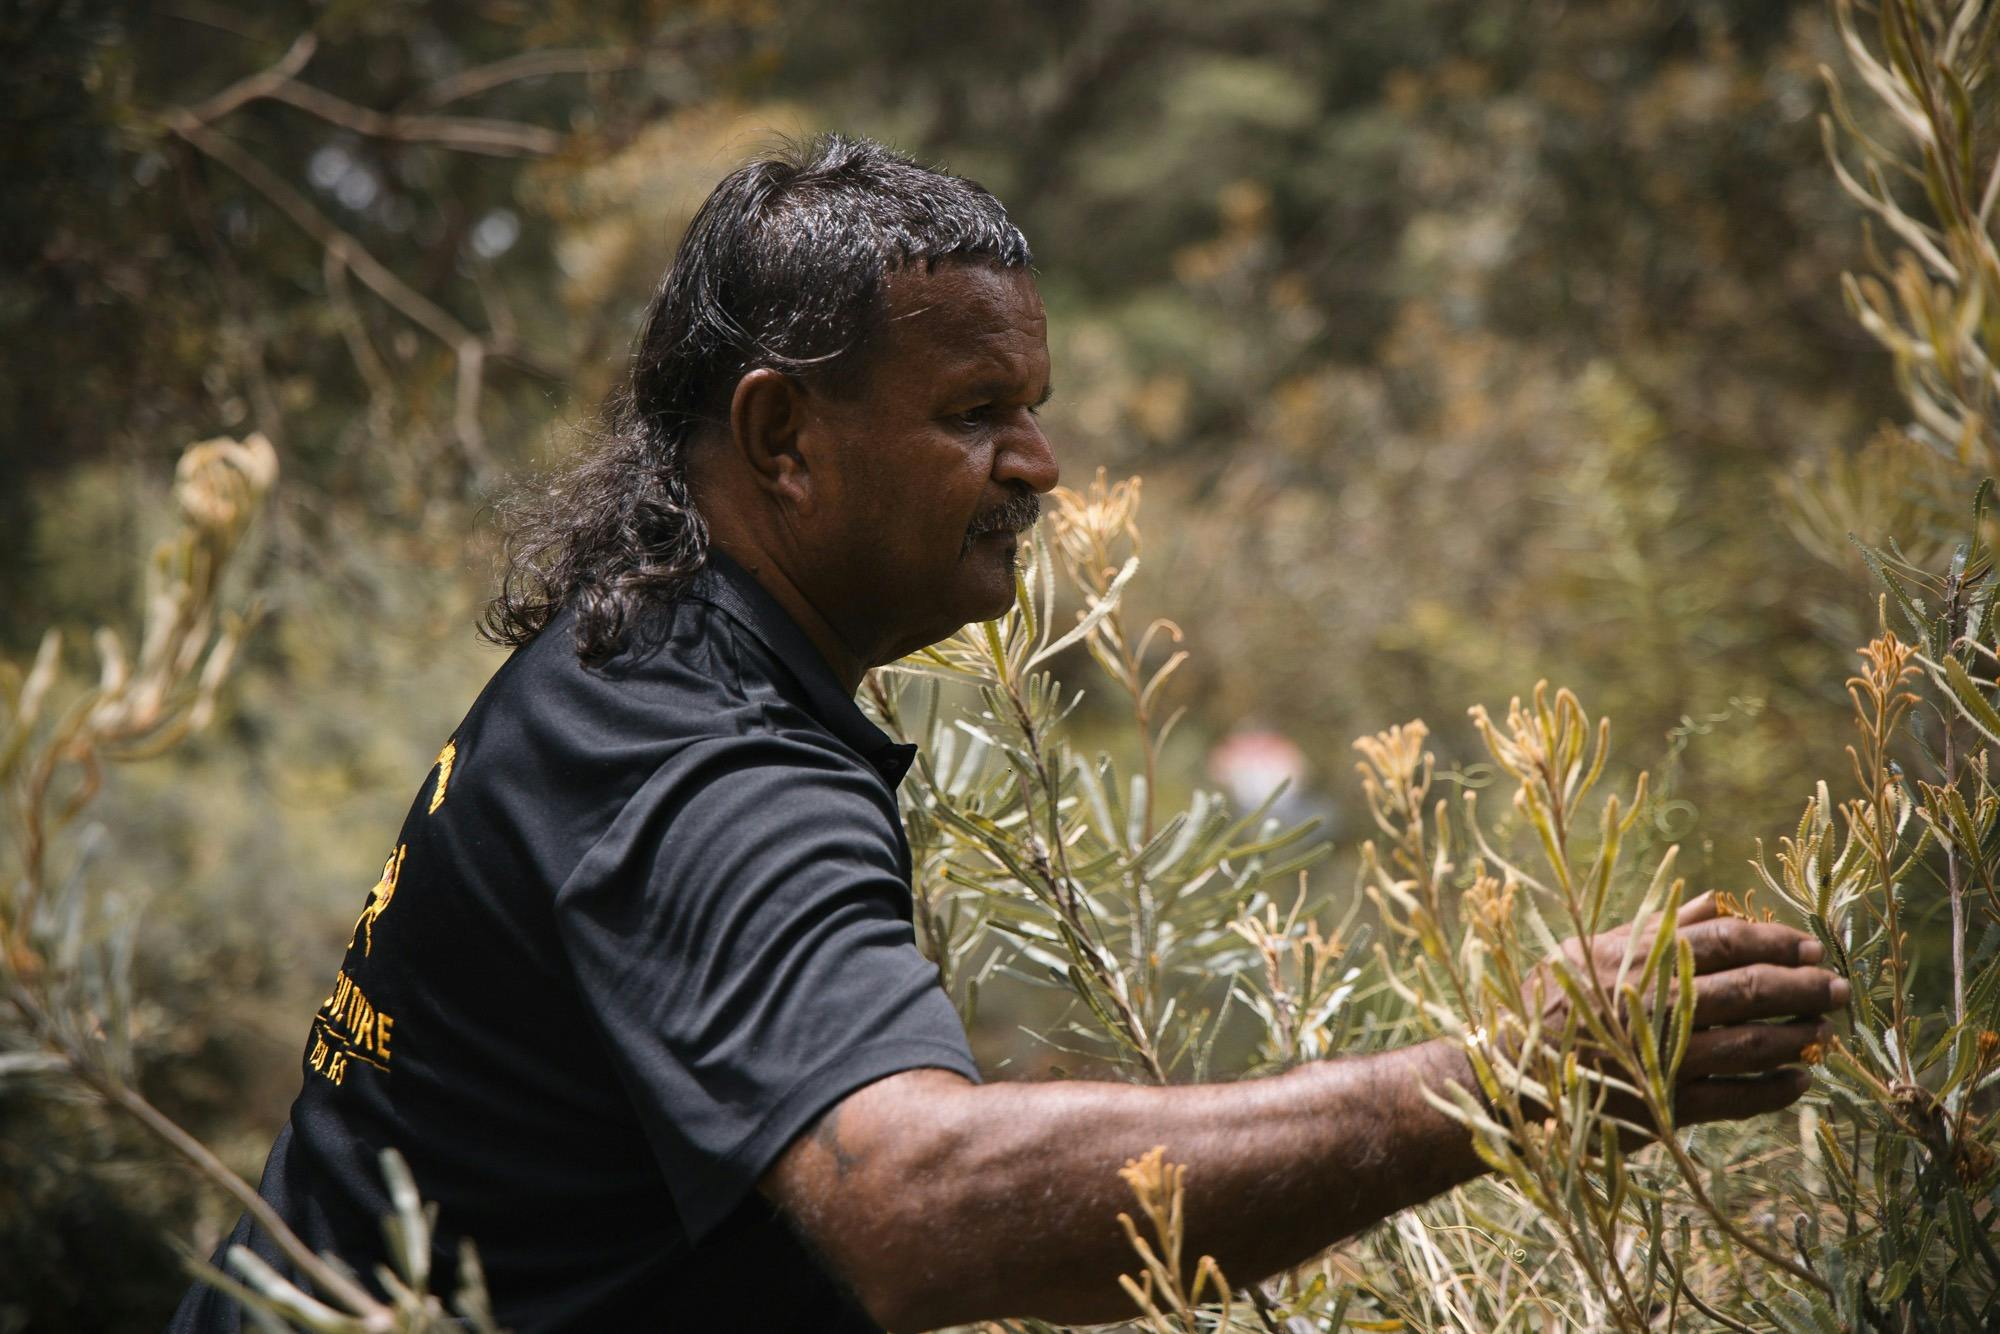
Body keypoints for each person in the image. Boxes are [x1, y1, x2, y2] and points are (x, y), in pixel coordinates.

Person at [169, 135, 1844, 1333]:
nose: (1039, 464)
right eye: (977, 413)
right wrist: (1513, 1078)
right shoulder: (707, 770)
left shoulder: (636, 661)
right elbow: (920, 1206)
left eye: (1030, 405)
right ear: (784, 438)